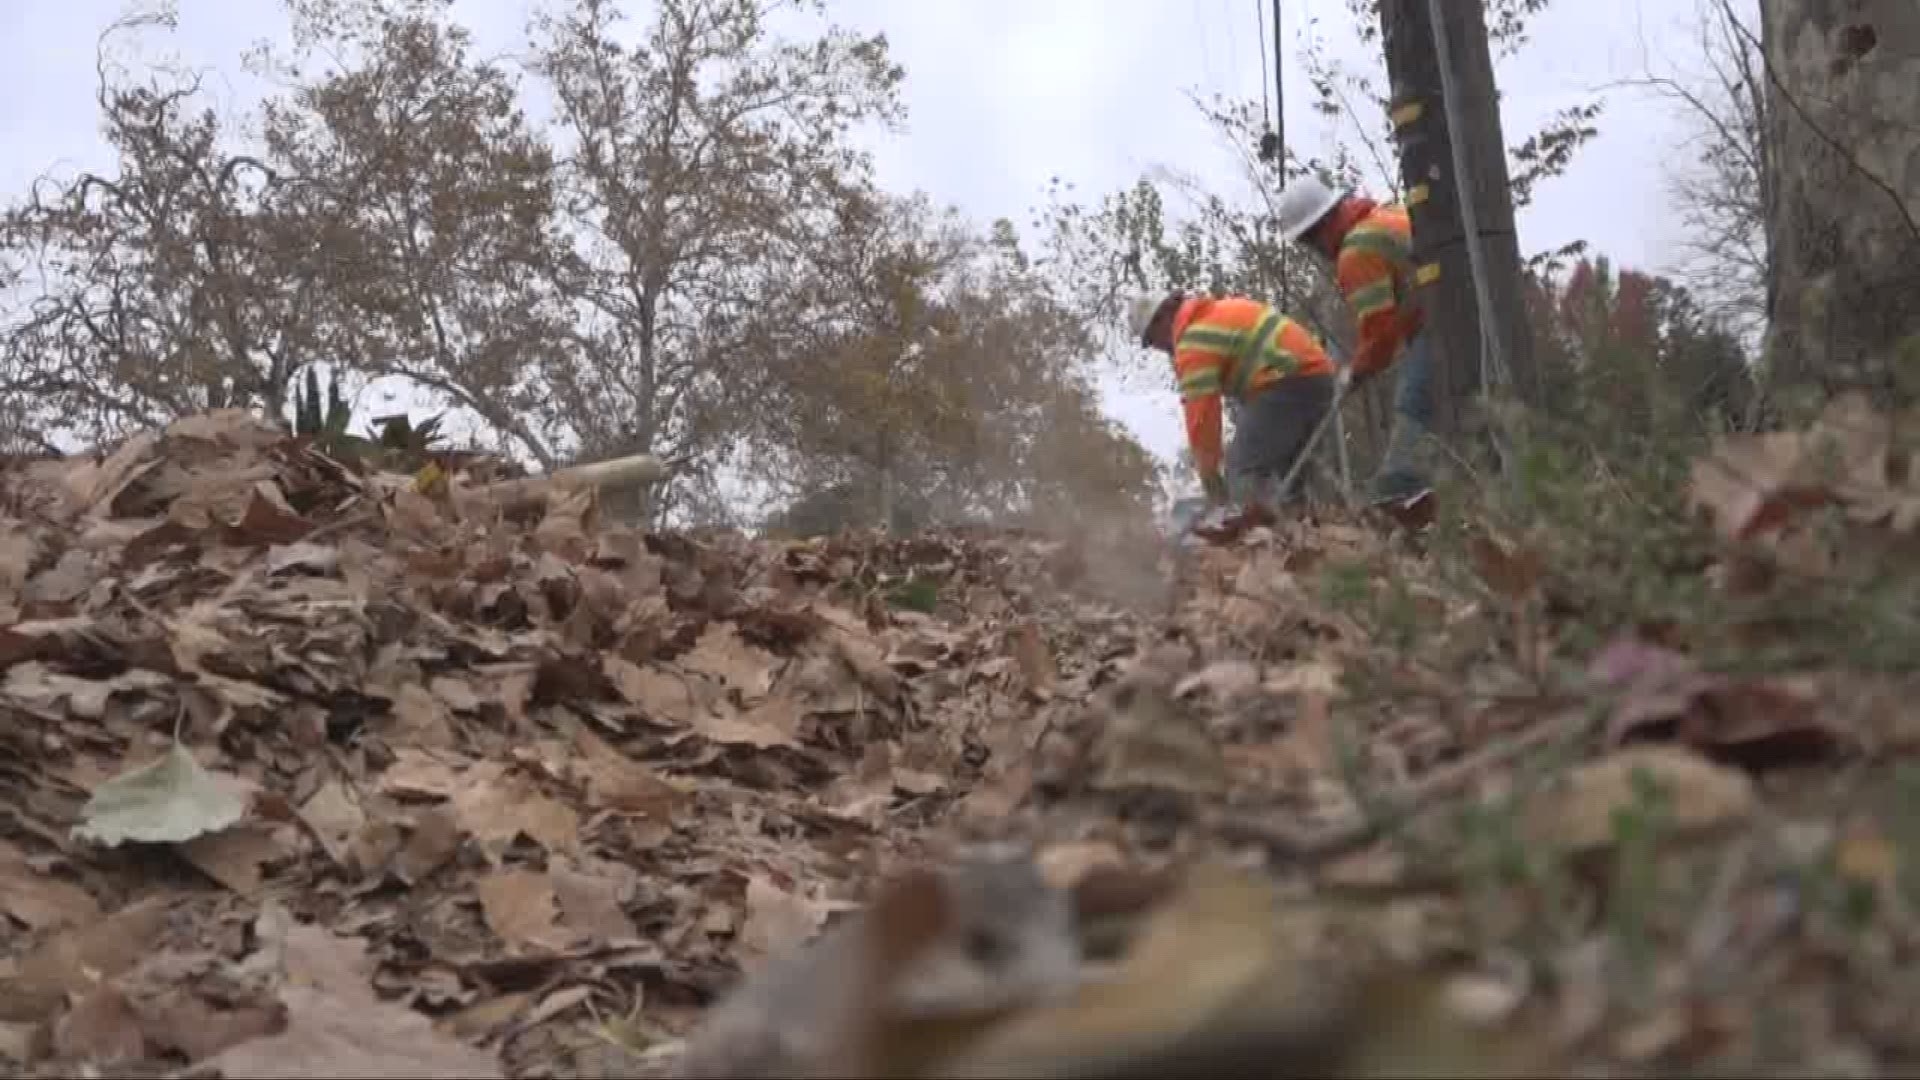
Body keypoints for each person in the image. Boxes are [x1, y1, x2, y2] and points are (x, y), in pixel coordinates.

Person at [1274, 175, 1431, 504]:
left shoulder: (1356, 252)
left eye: (1310, 241)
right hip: (1456, 316)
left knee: (1413, 407)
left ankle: (1397, 499)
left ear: (1324, 225)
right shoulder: (1387, 216)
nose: (1315, 250)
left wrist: (1355, 372)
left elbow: (1380, 336)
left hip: (1440, 328)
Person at [1127, 293, 1336, 511]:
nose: (1158, 348)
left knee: (1243, 471)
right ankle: (1301, 535)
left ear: (1163, 317)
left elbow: (1202, 419)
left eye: (1152, 340)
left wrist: (1211, 481)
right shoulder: (1217, 313)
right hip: (1317, 377)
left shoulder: (1193, 341)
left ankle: (1257, 539)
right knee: (1289, 479)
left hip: (1285, 382)